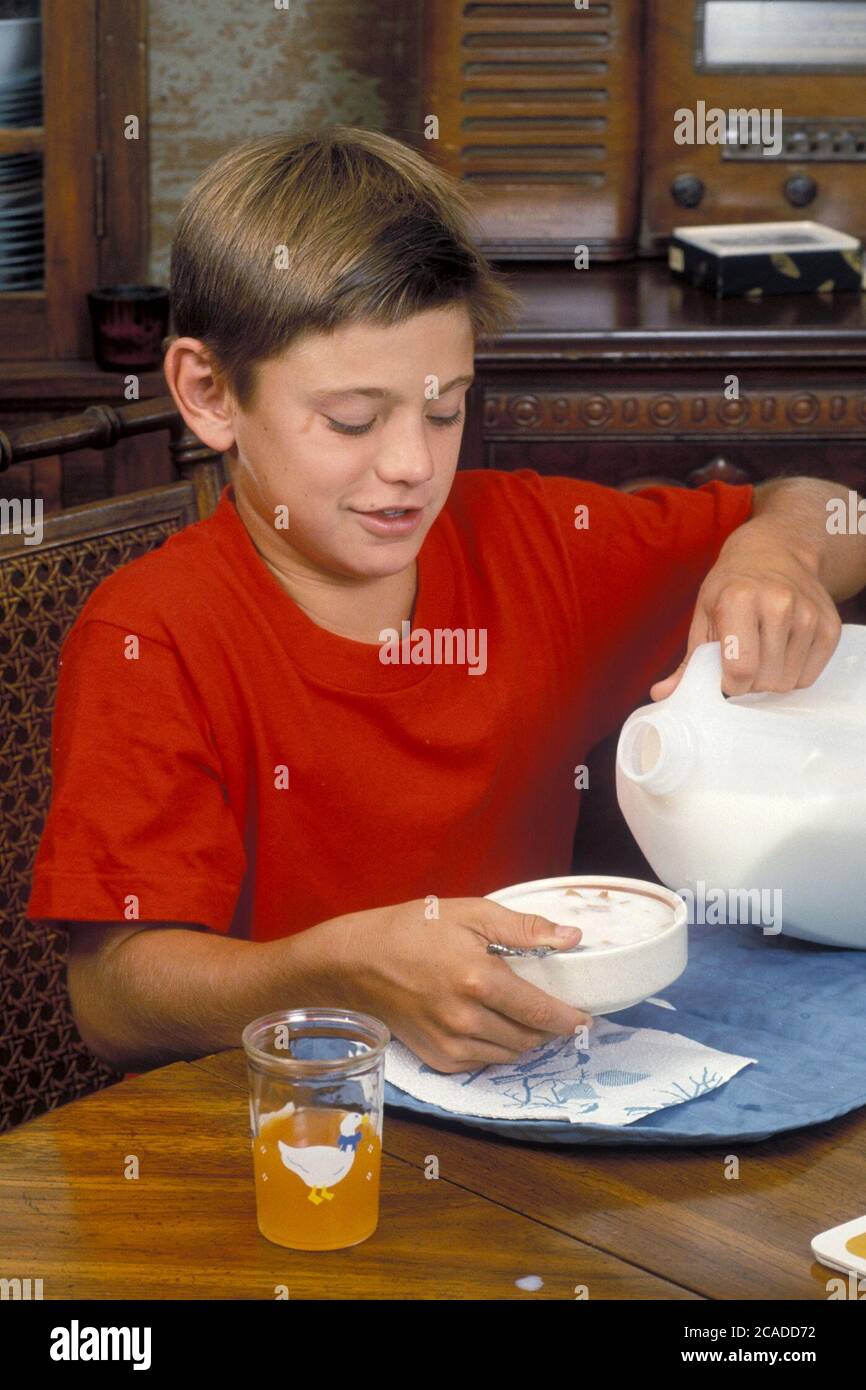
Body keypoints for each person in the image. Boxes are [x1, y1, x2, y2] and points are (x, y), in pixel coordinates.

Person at [26, 127, 866, 1076]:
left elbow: (836, 510)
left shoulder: (536, 542)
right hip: (289, 1139)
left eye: (443, 408)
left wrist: (778, 548)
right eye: (352, 419)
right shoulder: (154, 635)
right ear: (209, 392)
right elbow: (113, 997)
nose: (412, 467)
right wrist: (333, 974)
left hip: (539, 1110)